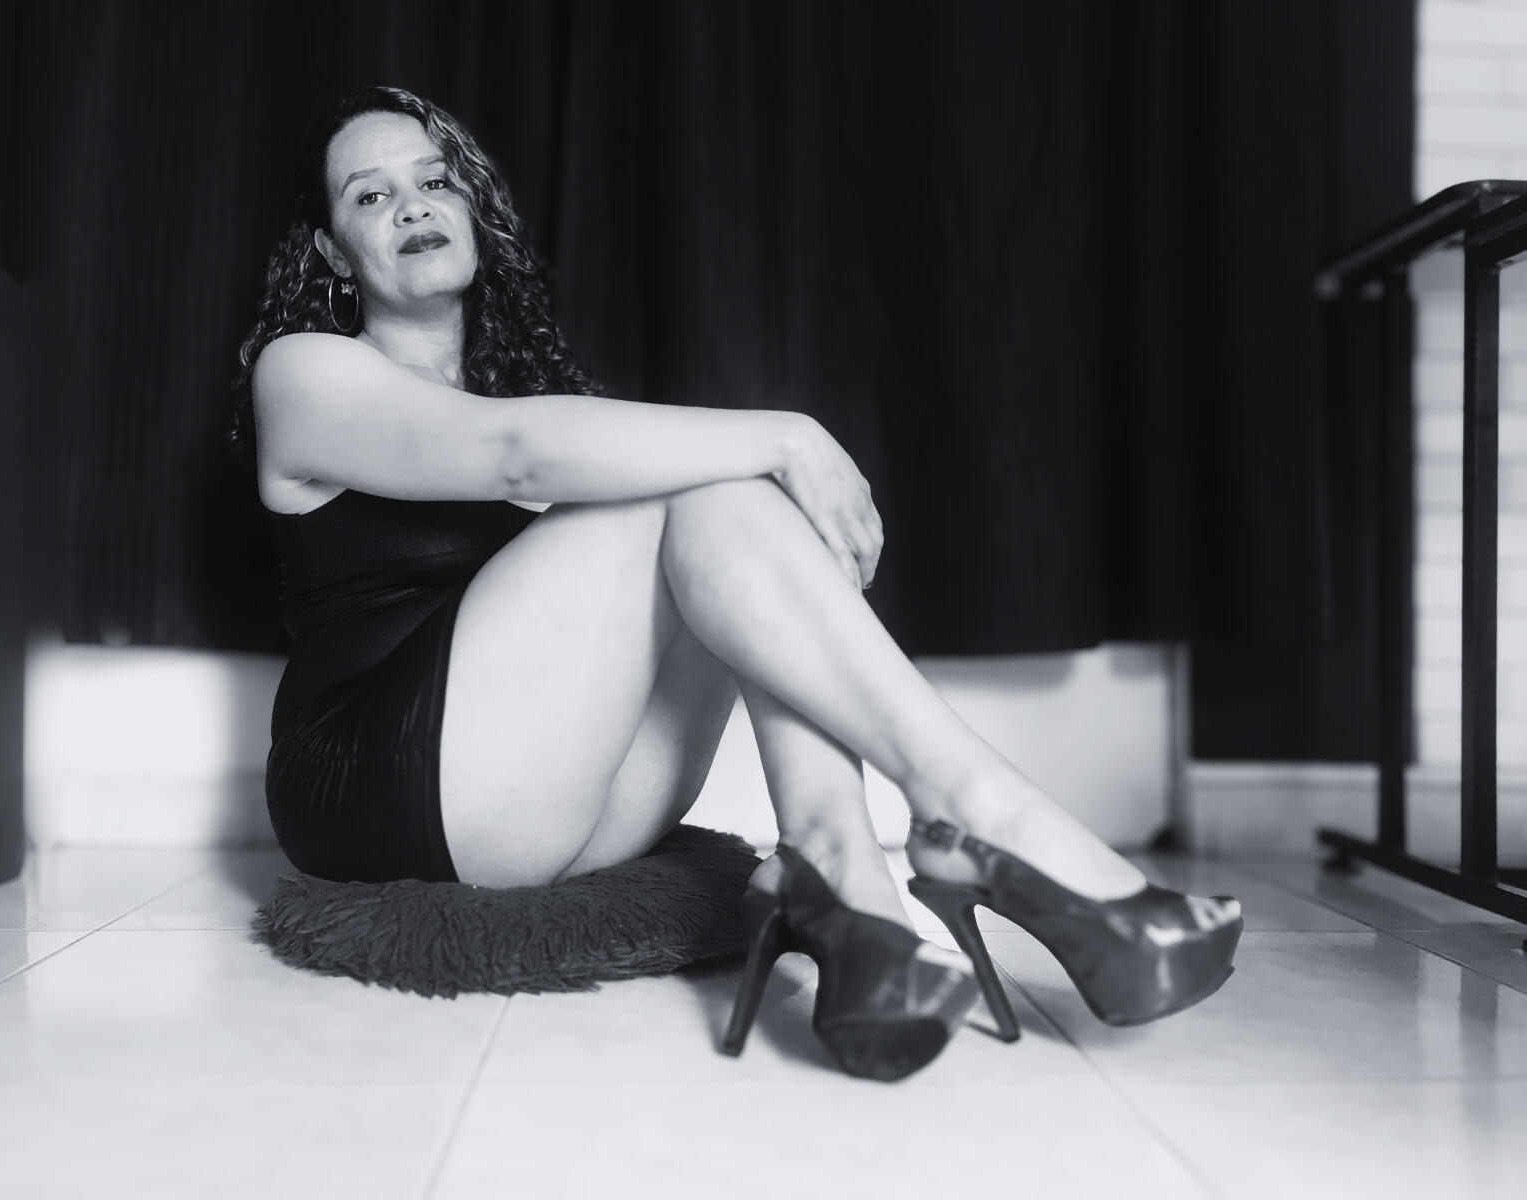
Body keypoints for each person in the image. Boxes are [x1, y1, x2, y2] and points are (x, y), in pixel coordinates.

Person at [229, 86, 1243, 1081]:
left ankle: (834, 862)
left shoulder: (537, 401)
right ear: (333, 253)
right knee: (710, 469)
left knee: (718, 492)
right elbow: (508, 453)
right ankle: (971, 805)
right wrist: (791, 436)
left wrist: (768, 462)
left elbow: (562, 465)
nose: (411, 206)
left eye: (435, 180)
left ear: (472, 207)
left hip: (553, 804)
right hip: (380, 789)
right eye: (370, 195)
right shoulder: (302, 372)